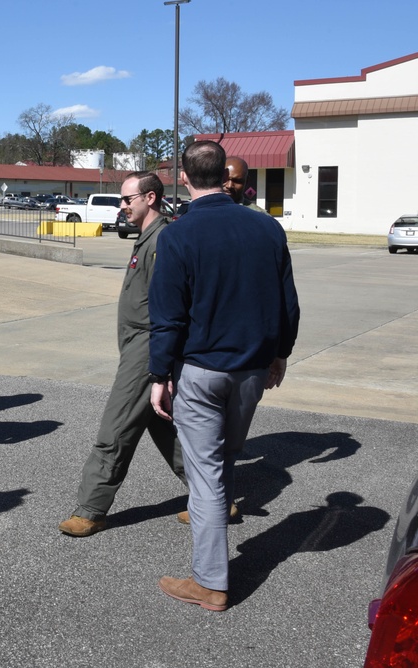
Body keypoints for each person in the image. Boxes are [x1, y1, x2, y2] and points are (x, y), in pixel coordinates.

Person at [148, 140, 300, 611]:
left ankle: (210, 582)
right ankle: (212, 561)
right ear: (227, 176)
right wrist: (280, 355)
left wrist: (159, 374)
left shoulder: (178, 235)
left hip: (202, 371)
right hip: (252, 371)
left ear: (185, 179)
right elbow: (288, 303)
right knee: (225, 458)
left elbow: (168, 317)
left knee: (207, 475)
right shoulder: (267, 228)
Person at [58, 172, 186, 538]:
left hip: (148, 348)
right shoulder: (146, 237)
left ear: (150, 197)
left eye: (127, 199)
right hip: (137, 344)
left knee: (115, 429)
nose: (122, 205)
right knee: (165, 428)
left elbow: (168, 308)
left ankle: (91, 509)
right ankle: (215, 498)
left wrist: (161, 362)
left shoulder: (162, 239)